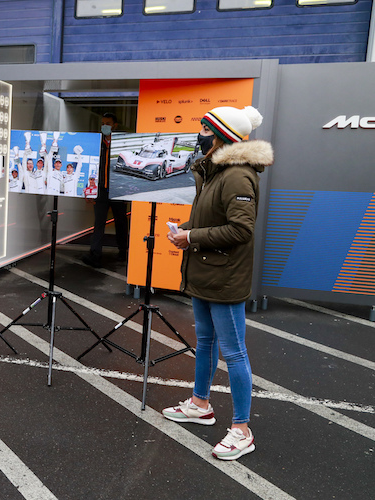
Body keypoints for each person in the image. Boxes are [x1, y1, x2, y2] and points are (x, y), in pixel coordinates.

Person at [161, 105, 273, 461]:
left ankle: (242, 429)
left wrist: (191, 236)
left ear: (220, 135)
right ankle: (200, 404)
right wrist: (188, 230)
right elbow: (215, 220)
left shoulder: (237, 175)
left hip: (224, 277)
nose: (200, 134)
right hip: (206, 273)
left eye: (205, 129)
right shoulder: (214, 172)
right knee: (206, 342)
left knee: (234, 351)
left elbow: (241, 230)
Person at [82, 112, 128, 267]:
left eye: (107, 123)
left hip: (117, 190)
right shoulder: (97, 143)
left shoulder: (122, 143)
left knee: (121, 222)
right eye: (103, 123)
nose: (104, 126)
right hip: (101, 190)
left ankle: (123, 252)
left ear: (115, 125)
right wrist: (90, 189)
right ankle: (95, 255)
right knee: (99, 223)